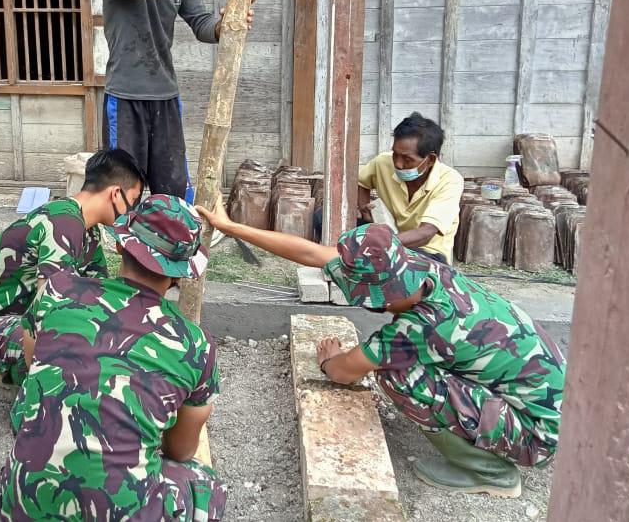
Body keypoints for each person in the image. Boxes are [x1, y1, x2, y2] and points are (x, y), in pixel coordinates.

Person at [198, 201, 565, 498]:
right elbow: (312, 253)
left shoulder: (419, 328)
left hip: (539, 432)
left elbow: (345, 371)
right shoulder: (420, 267)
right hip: (554, 406)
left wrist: (328, 361)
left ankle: (492, 473)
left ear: (382, 297)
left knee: (398, 375)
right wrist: (231, 227)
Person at [0, 195, 225, 520]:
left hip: (19, 506)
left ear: (120, 245)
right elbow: (179, 451)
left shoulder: (56, 292)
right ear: (180, 275)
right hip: (119, 512)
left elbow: (35, 366)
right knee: (206, 485)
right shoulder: (196, 347)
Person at [100, 0, 258, 203]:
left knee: (173, 186)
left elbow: (201, 24)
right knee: (121, 188)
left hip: (165, 97)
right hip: (124, 96)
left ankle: (171, 236)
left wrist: (227, 25)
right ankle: (123, 239)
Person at [0, 148, 145, 387]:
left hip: (15, 323)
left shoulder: (88, 232)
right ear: (115, 194)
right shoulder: (63, 223)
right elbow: (50, 310)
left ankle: (18, 372)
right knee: (67, 336)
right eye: (133, 201)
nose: (132, 212)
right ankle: (35, 401)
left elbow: (105, 295)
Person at [316, 112, 462, 263]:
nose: (398, 163)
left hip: (425, 253)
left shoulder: (450, 181)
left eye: (407, 159)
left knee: (384, 260)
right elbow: (361, 182)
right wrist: (364, 208)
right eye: (395, 154)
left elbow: (426, 233)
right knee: (322, 216)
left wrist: (377, 244)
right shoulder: (382, 163)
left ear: (430, 159)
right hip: (387, 235)